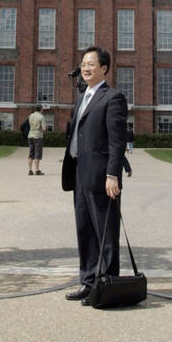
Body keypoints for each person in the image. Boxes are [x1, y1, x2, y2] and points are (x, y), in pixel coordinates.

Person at [61, 46, 127, 305]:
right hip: (79, 172)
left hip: (101, 176)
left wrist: (113, 174)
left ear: (104, 68)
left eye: (91, 64)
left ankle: (106, 285)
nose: (86, 68)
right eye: (84, 63)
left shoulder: (113, 98)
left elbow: (117, 141)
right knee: (85, 230)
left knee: (105, 233)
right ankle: (88, 282)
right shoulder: (82, 97)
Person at [27, 104, 46, 175]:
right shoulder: (41, 117)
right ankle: (37, 170)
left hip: (30, 135)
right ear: (40, 109)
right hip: (38, 136)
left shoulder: (30, 116)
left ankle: (30, 170)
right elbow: (44, 129)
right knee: (37, 153)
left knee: (31, 153)